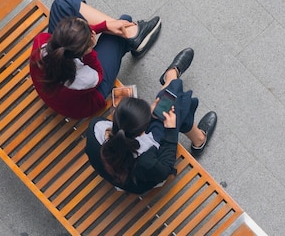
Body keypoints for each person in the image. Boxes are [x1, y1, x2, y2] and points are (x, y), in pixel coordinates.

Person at [85, 48, 218, 194]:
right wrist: (171, 130)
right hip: (143, 181)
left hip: (115, 172)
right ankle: (172, 77)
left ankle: (198, 138)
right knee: (176, 105)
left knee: (172, 105)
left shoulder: (96, 128)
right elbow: (165, 169)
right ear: (143, 131)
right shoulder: (146, 161)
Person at [29, 0, 161, 119]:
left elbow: (73, 41)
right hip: (84, 102)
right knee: (119, 32)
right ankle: (132, 36)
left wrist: (104, 26)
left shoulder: (41, 42)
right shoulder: (84, 78)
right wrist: (89, 52)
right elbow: (98, 75)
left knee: (61, 4)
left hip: (51, 85)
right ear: (81, 52)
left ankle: (133, 35)